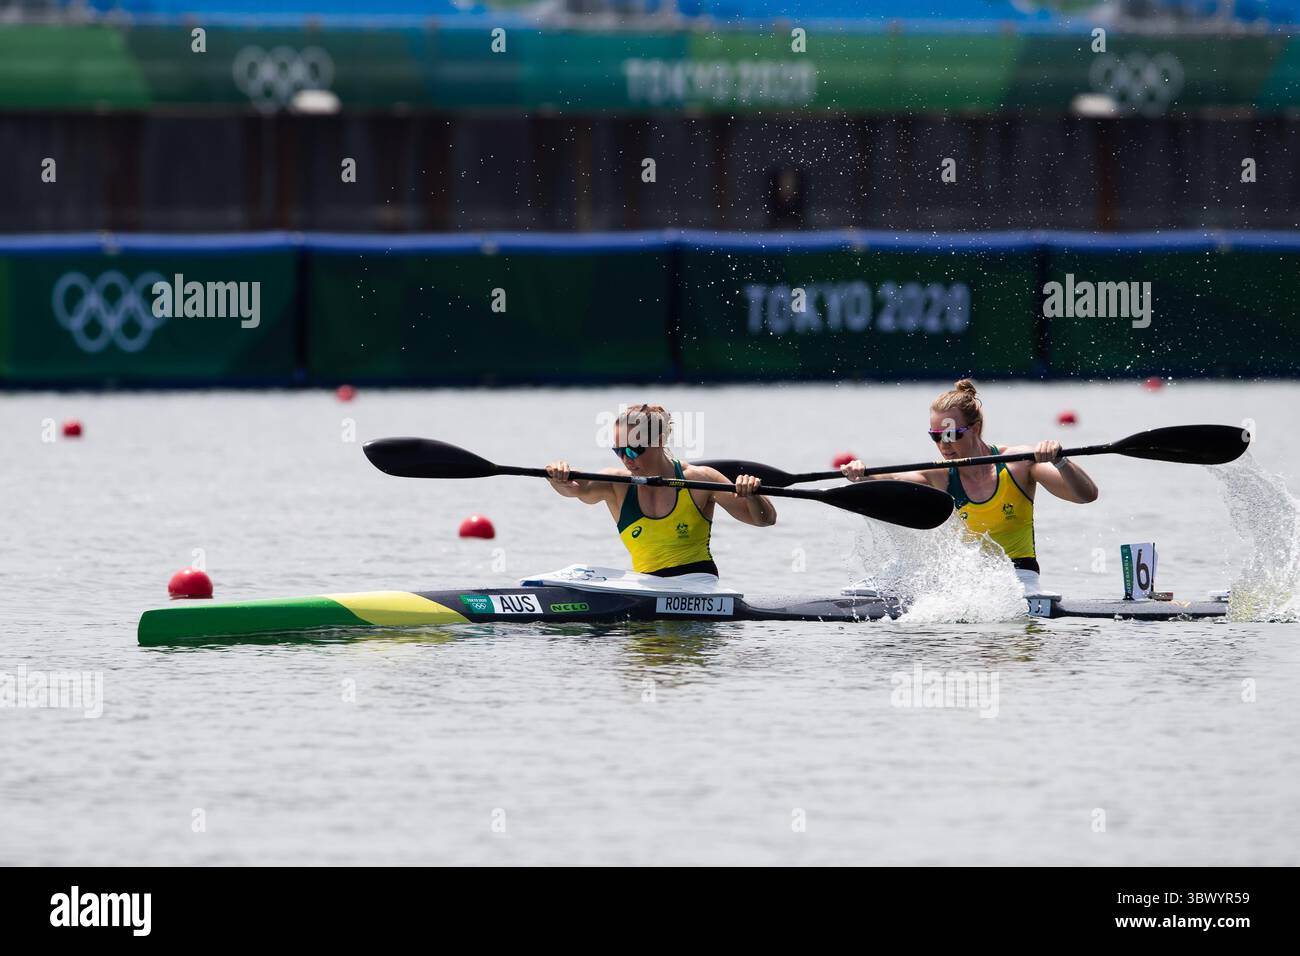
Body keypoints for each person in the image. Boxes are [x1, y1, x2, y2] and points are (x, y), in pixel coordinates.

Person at [841, 379, 1098, 594]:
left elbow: (1086, 495)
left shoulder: (1018, 464)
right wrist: (863, 475)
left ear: (975, 429)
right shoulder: (940, 475)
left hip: (1018, 576)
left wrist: (1060, 460)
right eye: (936, 436)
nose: (944, 444)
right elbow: (895, 484)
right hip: (966, 578)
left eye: (952, 434)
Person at [545, 403, 774, 577]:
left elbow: (765, 520)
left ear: (660, 439)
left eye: (634, 449)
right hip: (647, 587)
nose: (626, 458)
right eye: (618, 451)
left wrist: (753, 495)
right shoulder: (616, 484)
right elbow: (574, 489)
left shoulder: (700, 479)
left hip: (698, 583)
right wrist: (558, 477)